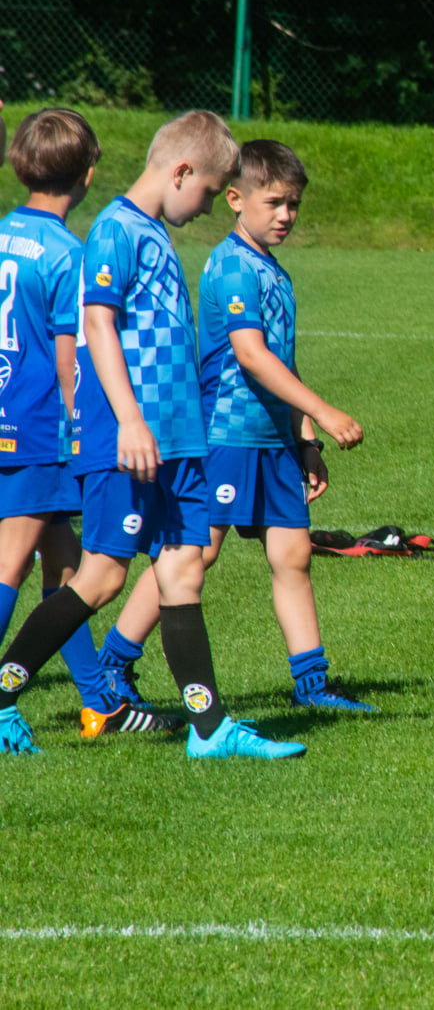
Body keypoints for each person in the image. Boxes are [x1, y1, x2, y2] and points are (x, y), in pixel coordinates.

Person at [0, 110, 304, 759]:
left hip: (179, 442)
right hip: (130, 439)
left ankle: (209, 729)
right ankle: (1, 694)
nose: (206, 207)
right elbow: (98, 326)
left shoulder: (153, 232)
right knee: (102, 577)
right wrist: (131, 421)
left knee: (183, 570)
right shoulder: (116, 228)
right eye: (207, 192)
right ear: (181, 172)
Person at [96, 140, 372, 713]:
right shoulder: (232, 266)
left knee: (292, 557)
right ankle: (114, 664)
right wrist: (325, 412)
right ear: (235, 199)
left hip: (273, 441)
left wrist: (305, 439)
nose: (286, 215)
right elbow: (251, 356)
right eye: (274, 203)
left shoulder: (273, 271)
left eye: (294, 205)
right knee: (193, 555)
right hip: (226, 436)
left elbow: (283, 363)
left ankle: (312, 684)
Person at [0, 108, 164, 735]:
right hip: (38, 428)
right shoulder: (69, 254)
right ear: (89, 174)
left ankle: (100, 702)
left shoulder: (4, 232)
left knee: (66, 564)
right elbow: (71, 357)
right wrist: (83, 427)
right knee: (13, 561)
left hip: (5, 410)